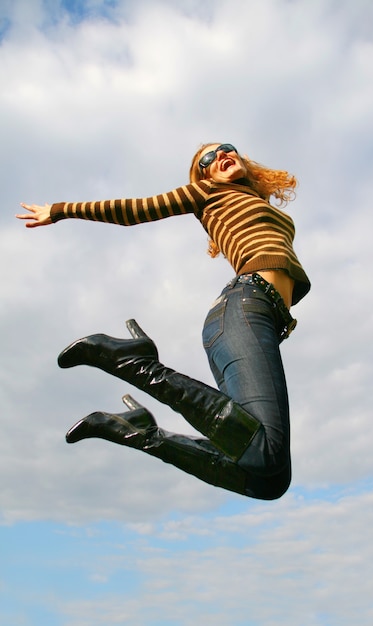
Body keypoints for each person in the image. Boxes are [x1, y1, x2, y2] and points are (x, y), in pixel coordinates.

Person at [16, 143, 310, 500]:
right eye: (208, 159)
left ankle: (143, 433)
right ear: (203, 175)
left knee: (270, 480)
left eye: (227, 149)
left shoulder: (249, 199)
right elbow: (134, 210)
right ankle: (135, 362)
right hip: (244, 308)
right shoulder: (208, 192)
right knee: (266, 453)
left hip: (260, 320)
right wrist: (60, 211)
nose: (220, 156)